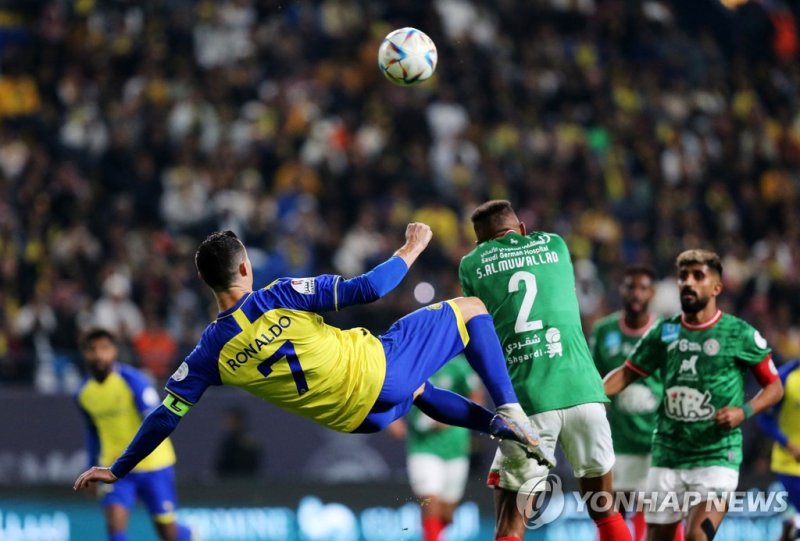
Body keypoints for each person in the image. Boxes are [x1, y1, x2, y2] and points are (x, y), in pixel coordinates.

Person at [74, 223, 553, 492]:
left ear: (206, 282)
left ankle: (494, 428)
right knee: (470, 310)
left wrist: (118, 467)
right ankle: (509, 413)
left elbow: (164, 417)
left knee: (421, 387)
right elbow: (370, 287)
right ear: (245, 267)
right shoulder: (277, 295)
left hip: (360, 420)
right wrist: (412, 247)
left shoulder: (207, 354)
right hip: (378, 372)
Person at [458, 200, 630, 541]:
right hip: (585, 393)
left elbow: (479, 321)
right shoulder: (555, 245)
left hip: (528, 402)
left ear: (481, 243)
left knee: (510, 526)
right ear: (521, 228)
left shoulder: (472, 264)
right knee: (605, 511)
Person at [604, 249, 784, 541]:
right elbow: (626, 373)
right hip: (667, 456)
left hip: (717, 456)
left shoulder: (739, 333)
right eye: (683, 276)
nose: (688, 282)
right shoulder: (665, 331)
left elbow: (774, 386)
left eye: (698, 276)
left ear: (716, 287)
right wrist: (590, 398)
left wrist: (744, 412)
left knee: (696, 537)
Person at [74, 328, 194, 541]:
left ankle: (191, 536)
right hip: (113, 468)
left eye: (104, 348)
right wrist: (91, 467)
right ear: (85, 354)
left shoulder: (134, 382)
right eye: (92, 349)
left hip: (154, 465)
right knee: (115, 527)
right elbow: (93, 433)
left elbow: (156, 420)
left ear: (115, 352)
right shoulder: (83, 393)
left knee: (168, 533)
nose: (99, 354)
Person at [590, 265, 669, 541]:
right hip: (618, 439)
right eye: (630, 287)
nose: (636, 294)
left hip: (657, 440)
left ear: (652, 293)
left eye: (643, 288)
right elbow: (593, 380)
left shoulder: (665, 332)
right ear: (621, 290)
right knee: (614, 510)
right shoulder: (604, 330)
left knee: (660, 512)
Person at [390, 355, 481, 541]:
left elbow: (476, 395)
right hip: (423, 447)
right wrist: (392, 419)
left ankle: (438, 534)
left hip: (456, 447)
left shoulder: (459, 367)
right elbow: (391, 390)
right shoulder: (414, 363)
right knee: (430, 501)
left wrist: (459, 415)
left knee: (447, 512)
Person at [756, 358, 800, 541]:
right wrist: (788, 444)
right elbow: (763, 416)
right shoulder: (786, 376)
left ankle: (792, 526)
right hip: (791, 464)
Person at [214, 406, 262, 478]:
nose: (228, 424)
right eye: (227, 421)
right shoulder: (227, 442)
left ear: (239, 422)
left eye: (231, 421)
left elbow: (252, 465)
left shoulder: (248, 441)